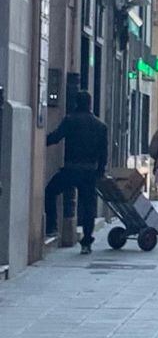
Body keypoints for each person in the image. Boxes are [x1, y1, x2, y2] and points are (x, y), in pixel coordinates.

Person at [45, 91, 108, 254]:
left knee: (50, 191)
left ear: (76, 103)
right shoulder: (100, 126)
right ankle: (87, 241)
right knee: (88, 207)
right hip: (89, 171)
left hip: (71, 169)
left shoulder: (70, 120)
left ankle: (51, 225)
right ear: (90, 104)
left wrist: (40, 139)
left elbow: (56, 137)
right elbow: (103, 152)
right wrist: (100, 171)